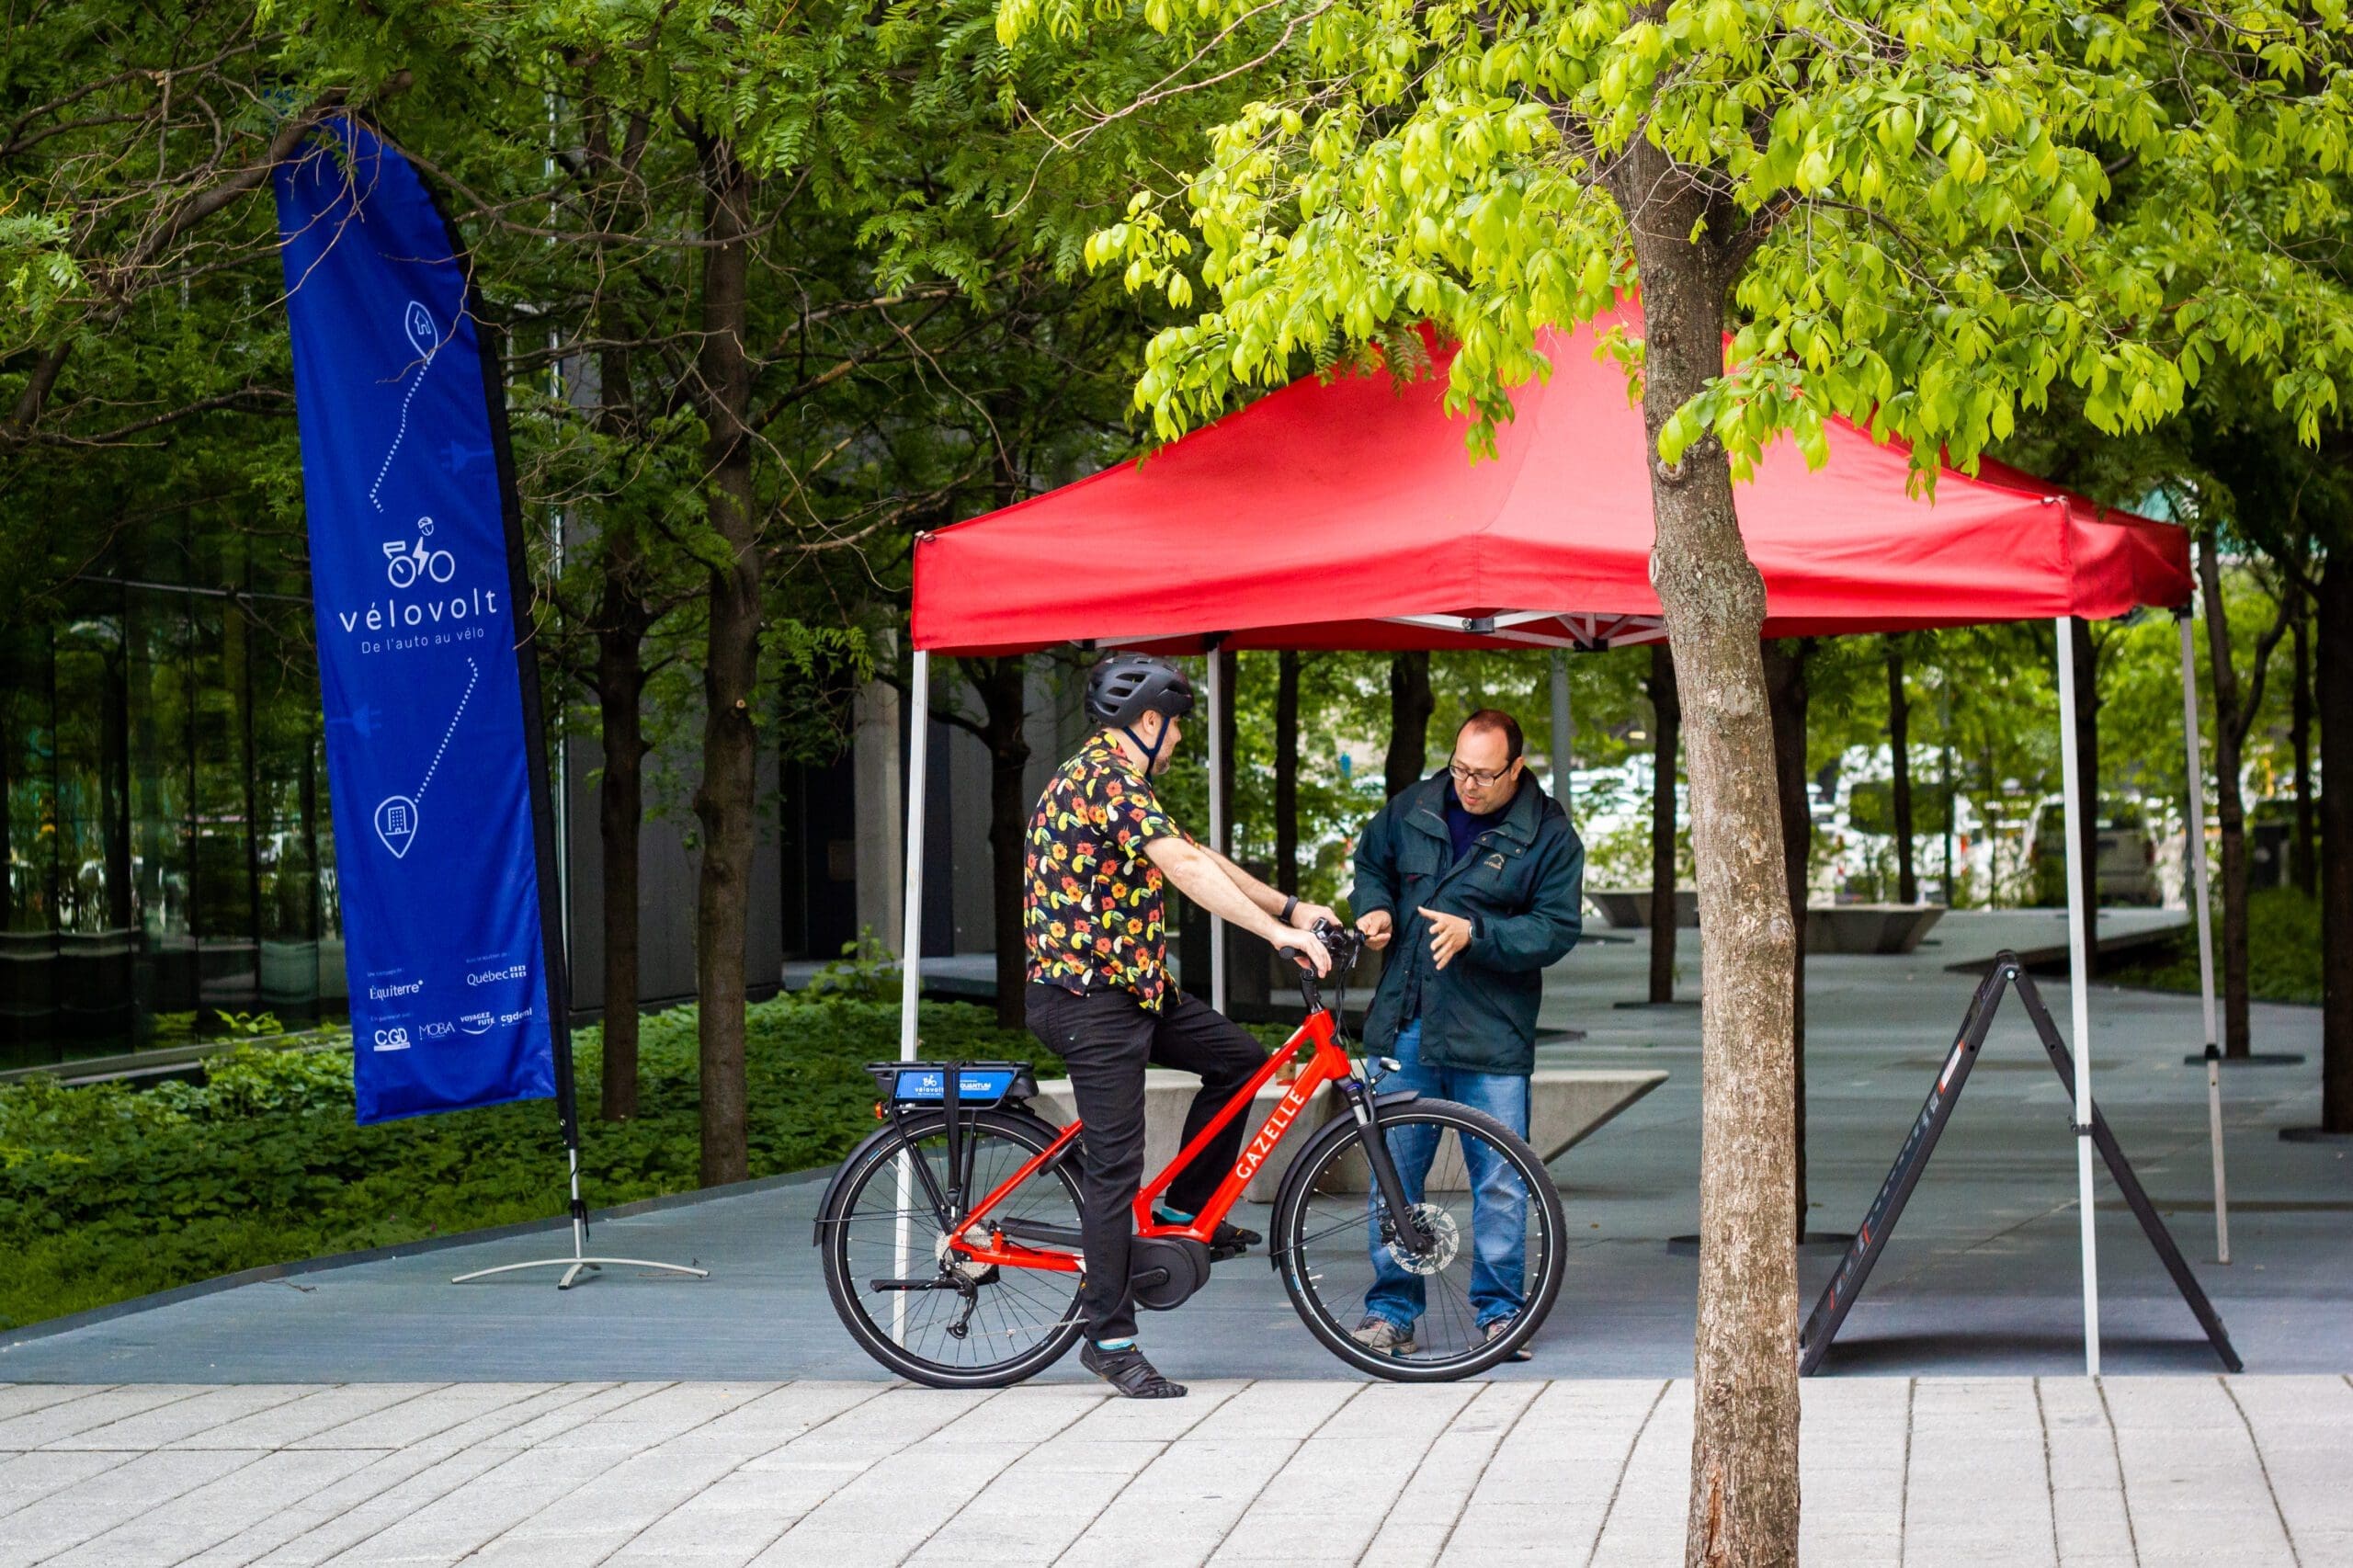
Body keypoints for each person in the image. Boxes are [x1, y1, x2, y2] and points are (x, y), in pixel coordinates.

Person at [1024, 652, 1338, 1400]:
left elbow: (1200, 856)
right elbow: (1187, 874)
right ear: (1151, 720)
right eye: (1175, 730)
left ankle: (1181, 1214)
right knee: (1113, 1167)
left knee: (1240, 1063)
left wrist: (1294, 910)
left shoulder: (1123, 782)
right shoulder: (1104, 778)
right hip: (1088, 998)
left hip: (1135, 989)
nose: (1177, 744)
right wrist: (1276, 937)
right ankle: (1109, 1337)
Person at [1349, 709, 1585, 1359]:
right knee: (1394, 1177)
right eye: (1460, 769)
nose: (1468, 786)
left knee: (1504, 1182)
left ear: (1516, 769)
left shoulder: (1549, 834)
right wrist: (1371, 906)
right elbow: (1372, 864)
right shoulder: (1414, 806)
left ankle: (1502, 1314)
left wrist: (1478, 936)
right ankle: (1391, 1310)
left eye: (1484, 774)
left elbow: (1556, 928)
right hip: (1405, 1024)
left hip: (1492, 1036)